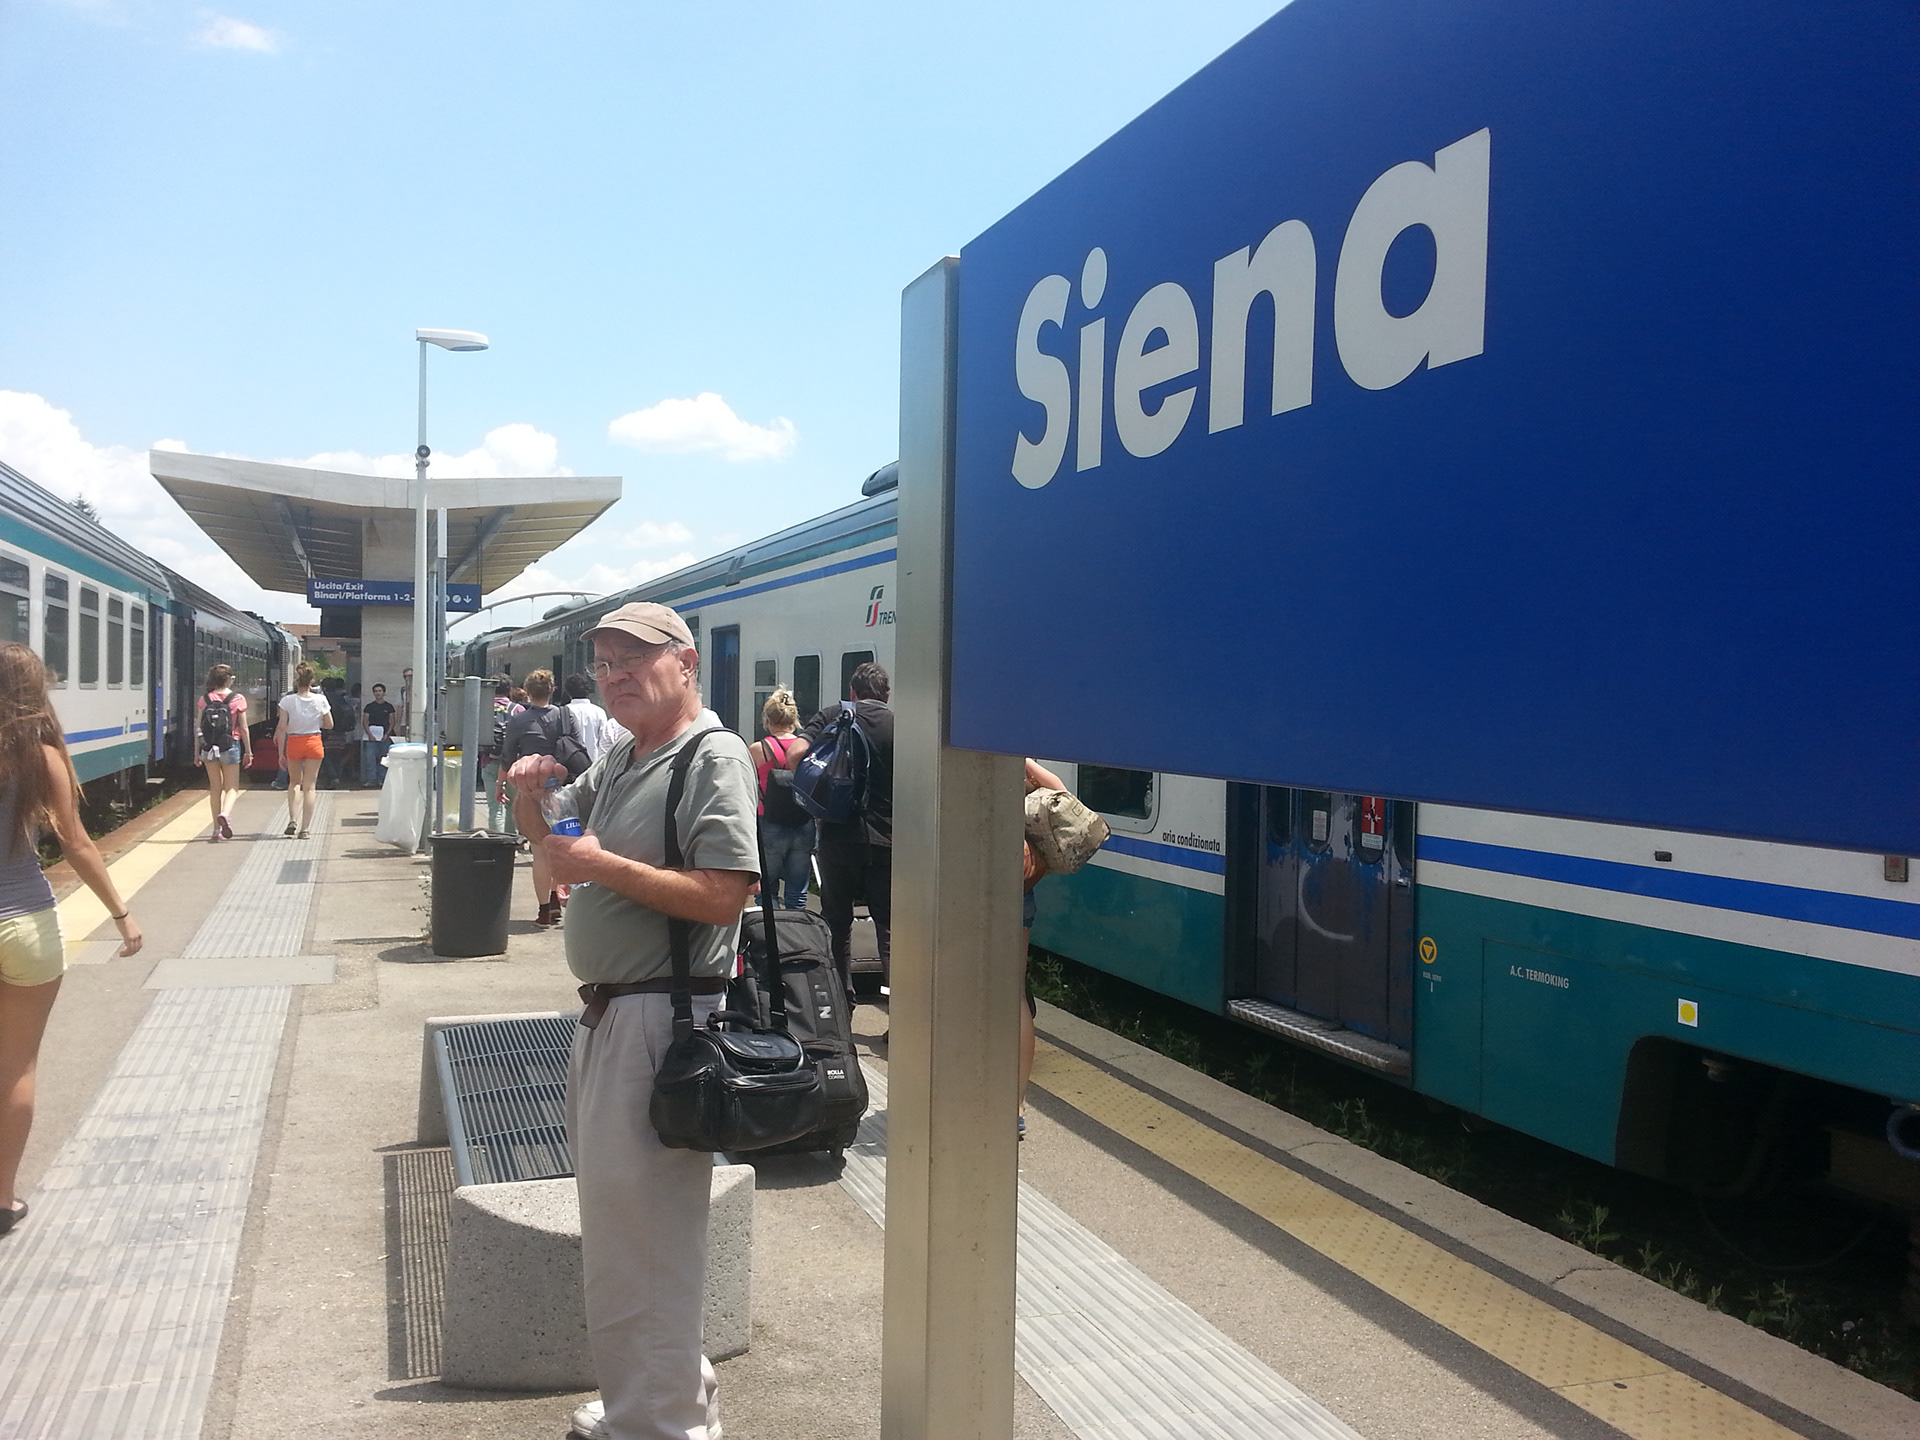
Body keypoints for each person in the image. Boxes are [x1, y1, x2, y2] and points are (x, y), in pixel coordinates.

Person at [507, 602, 755, 1440]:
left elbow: (724, 894)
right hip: (618, 1013)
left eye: (634, 659)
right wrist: (529, 794)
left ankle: (656, 1424)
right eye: (605, 665)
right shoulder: (625, 756)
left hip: (663, 1017)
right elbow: (552, 839)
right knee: (630, 1229)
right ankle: (666, 1397)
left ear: (686, 663)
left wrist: (602, 866)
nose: (615, 676)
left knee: (639, 1238)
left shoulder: (711, 756)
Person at [0, 642, 142, 1238]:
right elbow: (76, 844)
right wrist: (121, 915)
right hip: (25, 924)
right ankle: (2, 1200)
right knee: (15, 1066)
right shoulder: (43, 758)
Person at [784, 661, 893, 998]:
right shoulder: (898, 724)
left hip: (838, 836)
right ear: (887, 695)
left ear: (852, 692)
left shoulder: (835, 714)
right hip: (888, 839)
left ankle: (842, 1003)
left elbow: (795, 754)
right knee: (890, 926)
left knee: (837, 921)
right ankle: (900, 1009)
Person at [1019, 759, 1068, 1140]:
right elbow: (1062, 795)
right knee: (1013, 997)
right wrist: (1024, 760)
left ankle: (963, 1098)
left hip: (962, 895)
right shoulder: (1019, 774)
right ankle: (1015, 1106)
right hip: (1018, 895)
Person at [499, 670, 569, 924]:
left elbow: (508, 756)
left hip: (531, 790)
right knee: (558, 848)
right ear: (552, 690)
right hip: (561, 789)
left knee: (539, 851)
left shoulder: (519, 720)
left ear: (527, 691)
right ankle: (555, 898)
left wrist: (500, 784)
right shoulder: (564, 716)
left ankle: (544, 910)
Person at [748, 688, 811, 910]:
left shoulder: (758, 750)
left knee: (767, 891)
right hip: (803, 823)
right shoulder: (806, 748)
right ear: (794, 718)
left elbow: (747, 788)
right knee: (798, 895)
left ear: (767, 719)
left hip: (770, 823)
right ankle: (796, 930)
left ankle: (771, 931)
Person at [196, 663, 253, 842]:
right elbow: (243, 728)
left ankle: (216, 830)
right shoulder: (237, 699)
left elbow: (198, 728)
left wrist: (197, 752)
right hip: (230, 745)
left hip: (208, 748)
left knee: (215, 788)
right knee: (232, 787)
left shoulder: (205, 699)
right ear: (229, 679)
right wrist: (248, 751)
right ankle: (225, 814)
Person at [274, 662, 331, 839]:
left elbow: (282, 727)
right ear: (312, 681)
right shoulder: (320, 700)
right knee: (310, 787)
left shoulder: (287, 701)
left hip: (294, 742)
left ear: (296, 681)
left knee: (294, 783)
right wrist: (316, 723)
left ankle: (293, 819)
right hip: (314, 741)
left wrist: (280, 754)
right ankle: (305, 829)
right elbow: (330, 724)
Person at [483, 680, 522, 835]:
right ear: (509, 690)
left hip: (489, 761)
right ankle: (512, 841)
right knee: (513, 806)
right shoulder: (518, 709)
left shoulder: (483, 708)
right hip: (512, 764)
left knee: (495, 808)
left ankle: (496, 842)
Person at [563, 673, 628, 762]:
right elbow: (604, 738)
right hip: (595, 761)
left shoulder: (565, 712)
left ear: (568, 693)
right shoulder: (599, 711)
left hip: (572, 762)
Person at [318, 677, 356, 790]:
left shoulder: (323, 699)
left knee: (325, 756)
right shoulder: (342, 699)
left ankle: (333, 777)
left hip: (327, 731)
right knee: (337, 756)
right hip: (341, 731)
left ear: (324, 687)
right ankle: (337, 777)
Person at [361, 682, 396, 787]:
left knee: (383, 759)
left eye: (380, 691)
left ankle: (382, 780)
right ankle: (371, 780)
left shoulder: (389, 706)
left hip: (384, 737)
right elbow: (365, 721)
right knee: (370, 759)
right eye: (376, 691)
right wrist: (370, 734)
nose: (378, 693)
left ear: (384, 692)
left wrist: (387, 734)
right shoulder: (369, 707)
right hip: (371, 737)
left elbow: (392, 721)